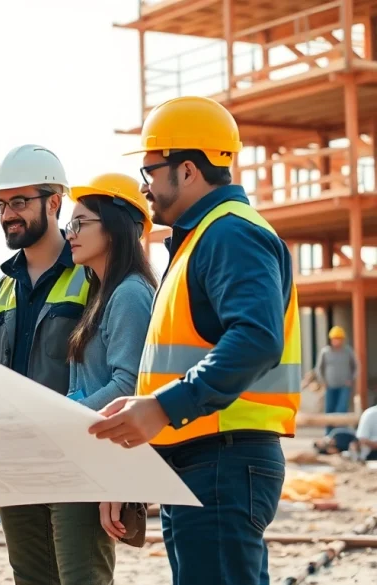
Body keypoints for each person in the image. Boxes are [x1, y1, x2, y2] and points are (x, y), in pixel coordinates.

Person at [88, 95, 301, 585]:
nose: (145, 187)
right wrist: (139, 448)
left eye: (150, 171)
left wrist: (162, 407)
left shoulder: (229, 235)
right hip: (205, 460)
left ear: (186, 171)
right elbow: (187, 358)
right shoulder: (202, 239)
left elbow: (256, 338)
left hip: (224, 461)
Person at [0, 145, 112, 585]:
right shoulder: (0, 289)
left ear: (53, 202)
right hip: (17, 464)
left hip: (75, 459)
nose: (8, 214)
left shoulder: (91, 276)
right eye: (2, 203)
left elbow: (119, 373)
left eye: (20, 202)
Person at [62, 173, 157, 558]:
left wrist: (63, 419)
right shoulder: (101, 293)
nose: (71, 233)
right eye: (71, 224)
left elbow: (128, 385)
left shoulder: (131, 294)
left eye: (81, 223)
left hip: (103, 452)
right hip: (89, 452)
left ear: (116, 229)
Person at [315, 325, 358, 429]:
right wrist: (323, 381)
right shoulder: (325, 352)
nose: (337, 341)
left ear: (342, 340)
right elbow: (318, 368)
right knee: (329, 410)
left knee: (341, 410)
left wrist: (351, 379)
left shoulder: (348, 351)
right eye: (335, 339)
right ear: (331, 339)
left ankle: (341, 433)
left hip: (344, 386)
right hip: (329, 386)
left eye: (339, 339)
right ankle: (329, 434)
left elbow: (356, 367)